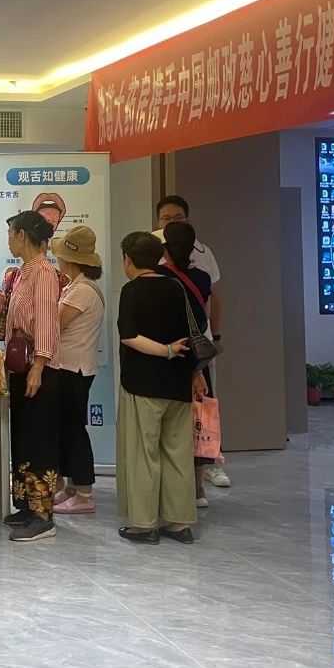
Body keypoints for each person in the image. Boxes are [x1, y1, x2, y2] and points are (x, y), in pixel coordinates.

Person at [115, 231, 205, 546]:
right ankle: (180, 523)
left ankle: (143, 524)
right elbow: (195, 331)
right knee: (178, 453)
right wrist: (193, 370)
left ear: (128, 260)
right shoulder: (175, 287)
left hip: (142, 384)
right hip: (177, 383)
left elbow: (129, 336)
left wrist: (165, 350)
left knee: (143, 454)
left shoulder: (131, 290)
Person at [0, 211, 63, 543]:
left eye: (11, 233)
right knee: (23, 433)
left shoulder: (44, 273)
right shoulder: (22, 272)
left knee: (39, 437)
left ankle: (42, 514)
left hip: (38, 366)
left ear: (23, 235)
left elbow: (48, 321)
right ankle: (25, 504)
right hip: (20, 365)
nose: (9, 239)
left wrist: (39, 364)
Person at [154, 194, 230, 489]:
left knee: (202, 408)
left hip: (198, 344)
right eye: (166, 218)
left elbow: (213, 297)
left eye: (177, 217)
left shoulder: (203, 252)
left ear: (187, 219)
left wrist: (216, 335)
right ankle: (186, 481)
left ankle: (208, 466)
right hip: (165, 347)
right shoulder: (152, 250)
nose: (171, 222)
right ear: (157, 220)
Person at [158, 221, 215, 510]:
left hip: (168, 356)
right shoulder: (202, 278)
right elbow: (204, 316)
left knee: (169, 427)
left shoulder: (158, 276)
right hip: (197, 359)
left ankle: (170, 492)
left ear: (165, 247)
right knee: (197, 422)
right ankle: (198, 488)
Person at [49, 225, 105, 516]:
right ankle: (73, 487)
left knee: (73, 431)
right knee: (66, 428)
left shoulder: (81, 291)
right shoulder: (77, 286)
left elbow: (55, 324)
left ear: (69, 259)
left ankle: (84, 492)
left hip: (74, 369)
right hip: (72, 367)